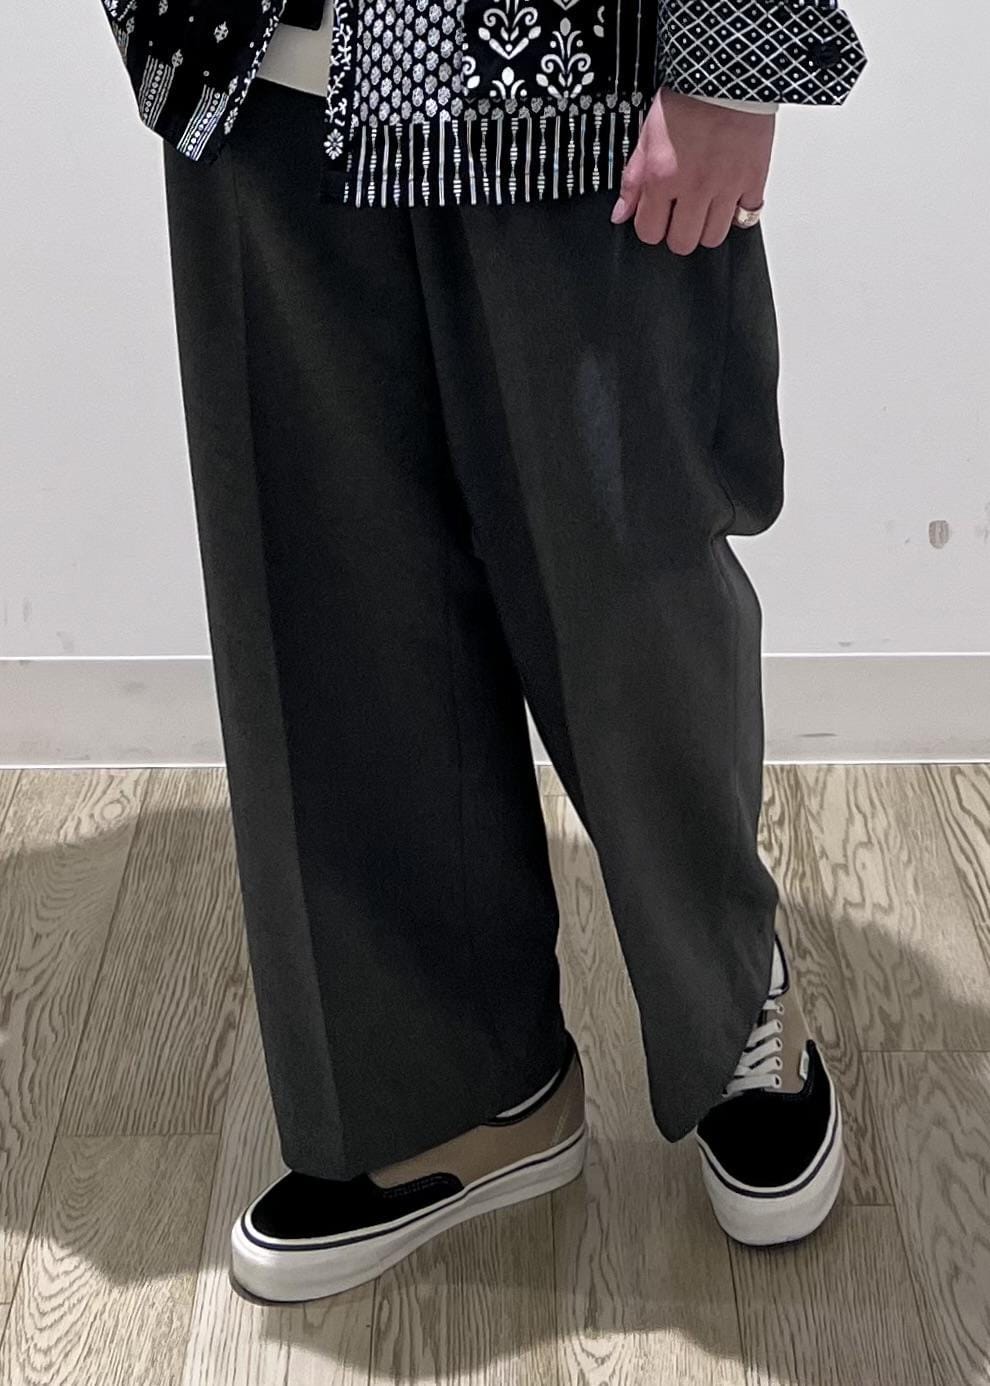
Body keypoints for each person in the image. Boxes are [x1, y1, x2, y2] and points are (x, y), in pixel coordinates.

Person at [99, 0, 865, 1303]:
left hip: (578, 65)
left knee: (628, 583)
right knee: (325, 595)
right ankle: (451, 1093)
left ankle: (727, 993)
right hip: (252, 53)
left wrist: (735, 57)